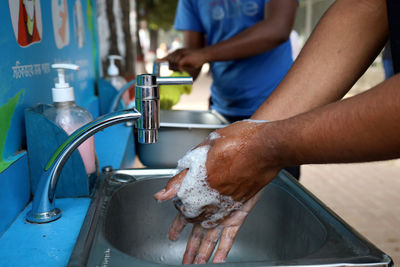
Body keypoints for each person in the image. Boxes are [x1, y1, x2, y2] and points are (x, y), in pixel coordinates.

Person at [154, 0, 398, 265]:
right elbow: (363, 10)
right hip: (246, 110)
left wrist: (263, 147)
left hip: (270, 106)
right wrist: (248, 142)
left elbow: (279, 27)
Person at [160, 0, 300, 178]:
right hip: (222, 114)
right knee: (223, 190)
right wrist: (169, 83)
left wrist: (204, 54)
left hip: (280, 111)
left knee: (277, 190)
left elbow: (277, 28)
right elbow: (193, 59)